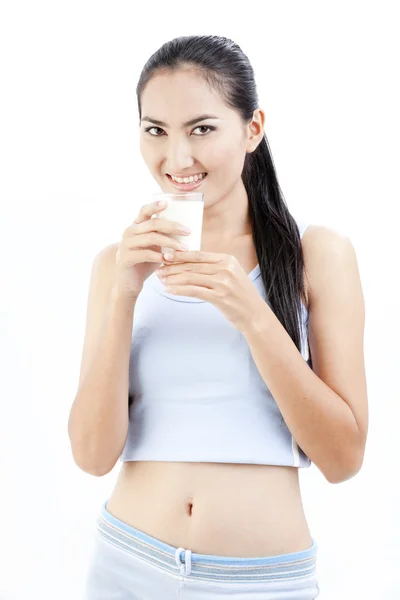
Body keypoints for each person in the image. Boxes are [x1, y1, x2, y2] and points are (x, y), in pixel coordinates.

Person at [68, 35, 368, 599]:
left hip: (261, 581)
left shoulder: (317, 256)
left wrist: (252, 315)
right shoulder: (117, 265)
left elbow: (344, 458)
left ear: (253, 129)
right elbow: (90, 455)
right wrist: (124, 296)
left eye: (201, 129)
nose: (177, 158)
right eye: (155, 130)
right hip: (128, 564)